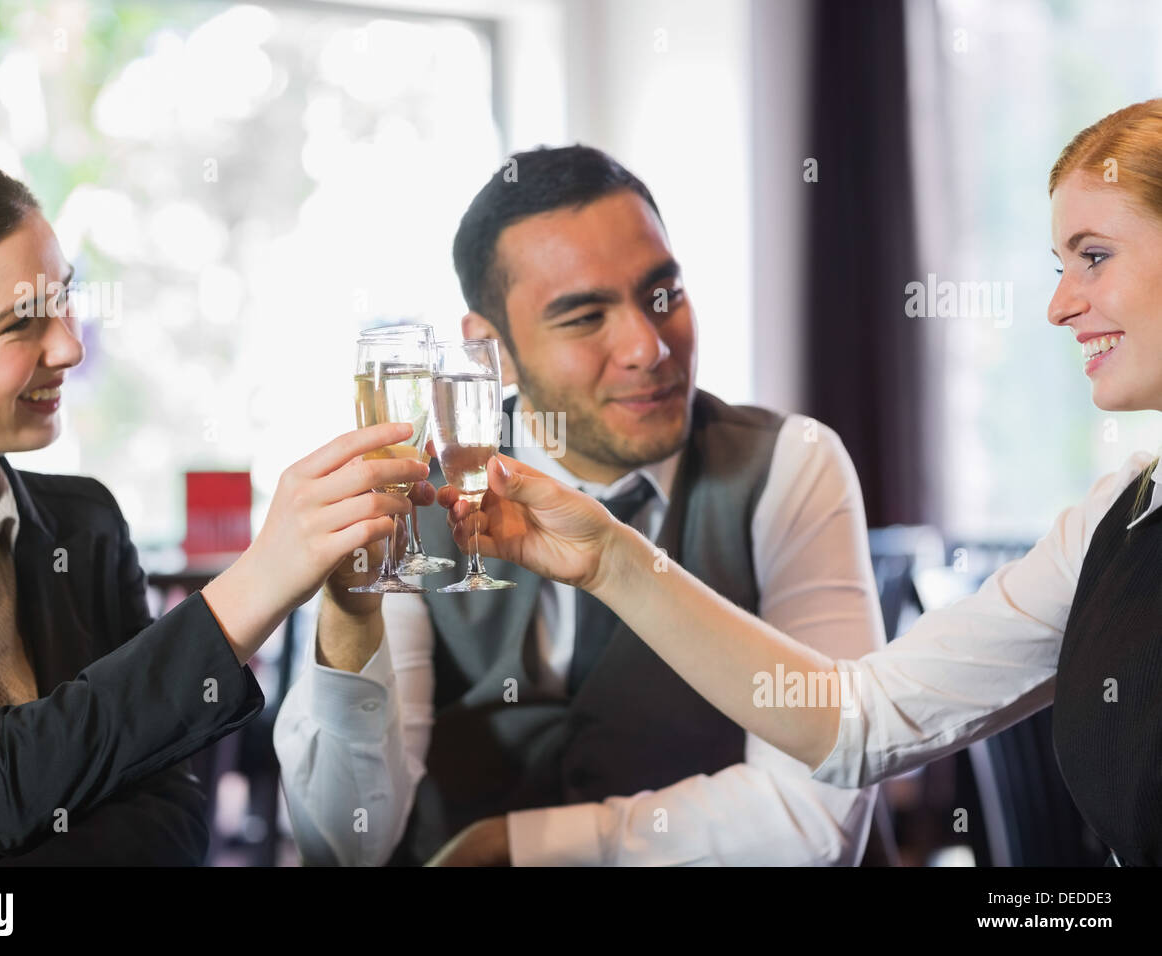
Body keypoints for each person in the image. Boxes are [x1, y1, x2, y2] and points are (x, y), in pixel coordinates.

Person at [436, 100, 1162, 868]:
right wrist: (613, 561)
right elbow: (861, 723)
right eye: (1061, 267)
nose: (1059, 306)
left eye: (1093, 256)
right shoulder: (1115, 524)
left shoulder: (790, 460)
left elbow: (820, 819)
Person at [275, 145, 887, 866]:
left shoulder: (789, 462)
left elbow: (819, 815)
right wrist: (350, 617)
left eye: (663, 295)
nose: (648, 346)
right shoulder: (419, 493)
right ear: (491, 350)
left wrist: (521, 846)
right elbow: (345, 843)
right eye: (585, 316)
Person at [0, 151, 429, 865]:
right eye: (19, 325)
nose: (68, 345)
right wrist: (259, 581)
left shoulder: (84, 523)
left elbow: (172, 808)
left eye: (64, 299)